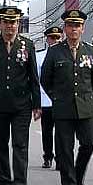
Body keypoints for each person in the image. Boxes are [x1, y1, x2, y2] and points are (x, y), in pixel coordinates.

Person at [40, 9, 93, 185]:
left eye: (77, 25)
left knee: (89, 143)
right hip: (63, 107)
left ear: (82, 29)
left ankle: (78, 174)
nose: (73, 29)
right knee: (64, 149)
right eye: (70, 25)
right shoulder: (54, 51)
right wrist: (57, 97)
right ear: (65, 28)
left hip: (85, 106)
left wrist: (87, 97)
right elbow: (45, 79)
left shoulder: (91, 51)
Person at [0, 6, 40, 185]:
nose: (10, 26)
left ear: (18, 24)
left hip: (21, 104)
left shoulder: (27, 45)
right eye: (6, 22)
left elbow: (33, 77)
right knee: (0, 145)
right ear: (0, 24)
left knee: (20, 145)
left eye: (13, 22)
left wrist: (36, 104)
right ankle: (5, 182)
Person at [36, 26, 62, 169]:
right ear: (47, 39)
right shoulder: (40, 56)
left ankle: (60, 158)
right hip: (45, 100)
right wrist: (36, 103)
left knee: (61, 133)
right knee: (47, 132)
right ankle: (47, 156)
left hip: (61, 102)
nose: (55, 40)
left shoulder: (66, 54)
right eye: (52, 38)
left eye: (57, 38)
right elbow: (36, 80)